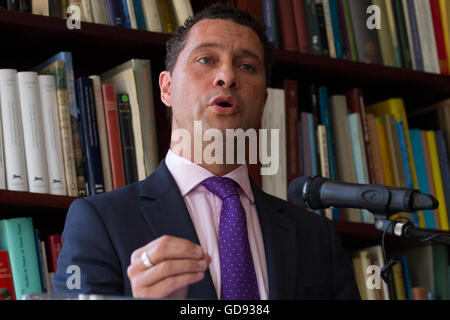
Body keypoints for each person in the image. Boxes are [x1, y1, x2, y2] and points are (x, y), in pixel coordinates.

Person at [53, 3, 360, 300]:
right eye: (206, 59)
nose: (227, 76)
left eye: (247, 66)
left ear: (264, 101)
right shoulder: (100, 221)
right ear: (167, 88)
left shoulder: (316, 237)